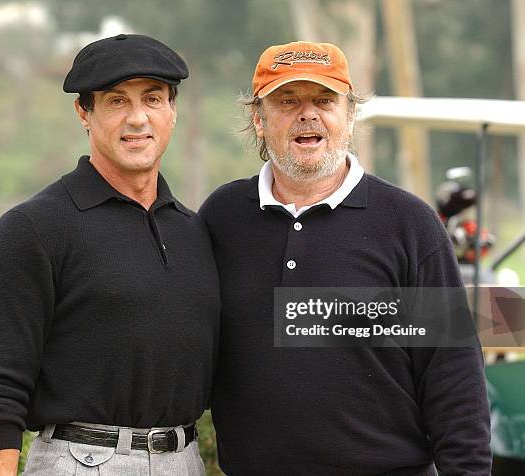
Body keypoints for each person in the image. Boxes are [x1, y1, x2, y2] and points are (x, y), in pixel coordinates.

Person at [199, 41, 491, 475]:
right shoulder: (222, 218)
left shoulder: (410, 224)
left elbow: (453, 378)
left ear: (349, 116)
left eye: (324, 100)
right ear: (259, 120)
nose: (307, 114)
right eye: (287, 101)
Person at [0, 34, 220, 476]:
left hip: (186, 459)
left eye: (153, 99)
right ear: (84, 112)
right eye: (117, 101)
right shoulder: (33, 230)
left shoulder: (195, 231)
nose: (138, 118)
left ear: (172, 110)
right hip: (82, 463)